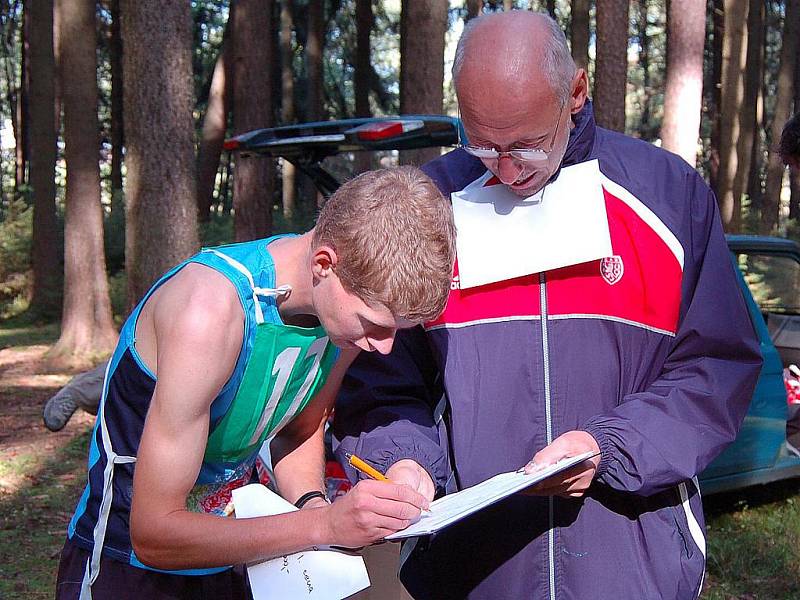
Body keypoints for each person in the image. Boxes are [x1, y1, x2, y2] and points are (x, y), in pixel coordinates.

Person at [333, 12, 762, 600]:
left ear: (576, 94)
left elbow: (716, 369)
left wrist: (609, 447)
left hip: (632, 564)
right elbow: (379, 383)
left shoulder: (669, 195)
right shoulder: (426, 208)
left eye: (527, 147)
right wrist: (405, 463)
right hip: (470, 571)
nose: (506, 172)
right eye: (482, 145)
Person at [55, 166, 456, 600]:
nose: (383, 346)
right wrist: (323, 525)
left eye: (398, 329)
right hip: (125, 566)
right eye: (374, 325)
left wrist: (317, 507)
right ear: (324, 263)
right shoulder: (209, 312)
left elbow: (297, 432)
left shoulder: (344, 314)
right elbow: (153, 534)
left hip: (235, 560)